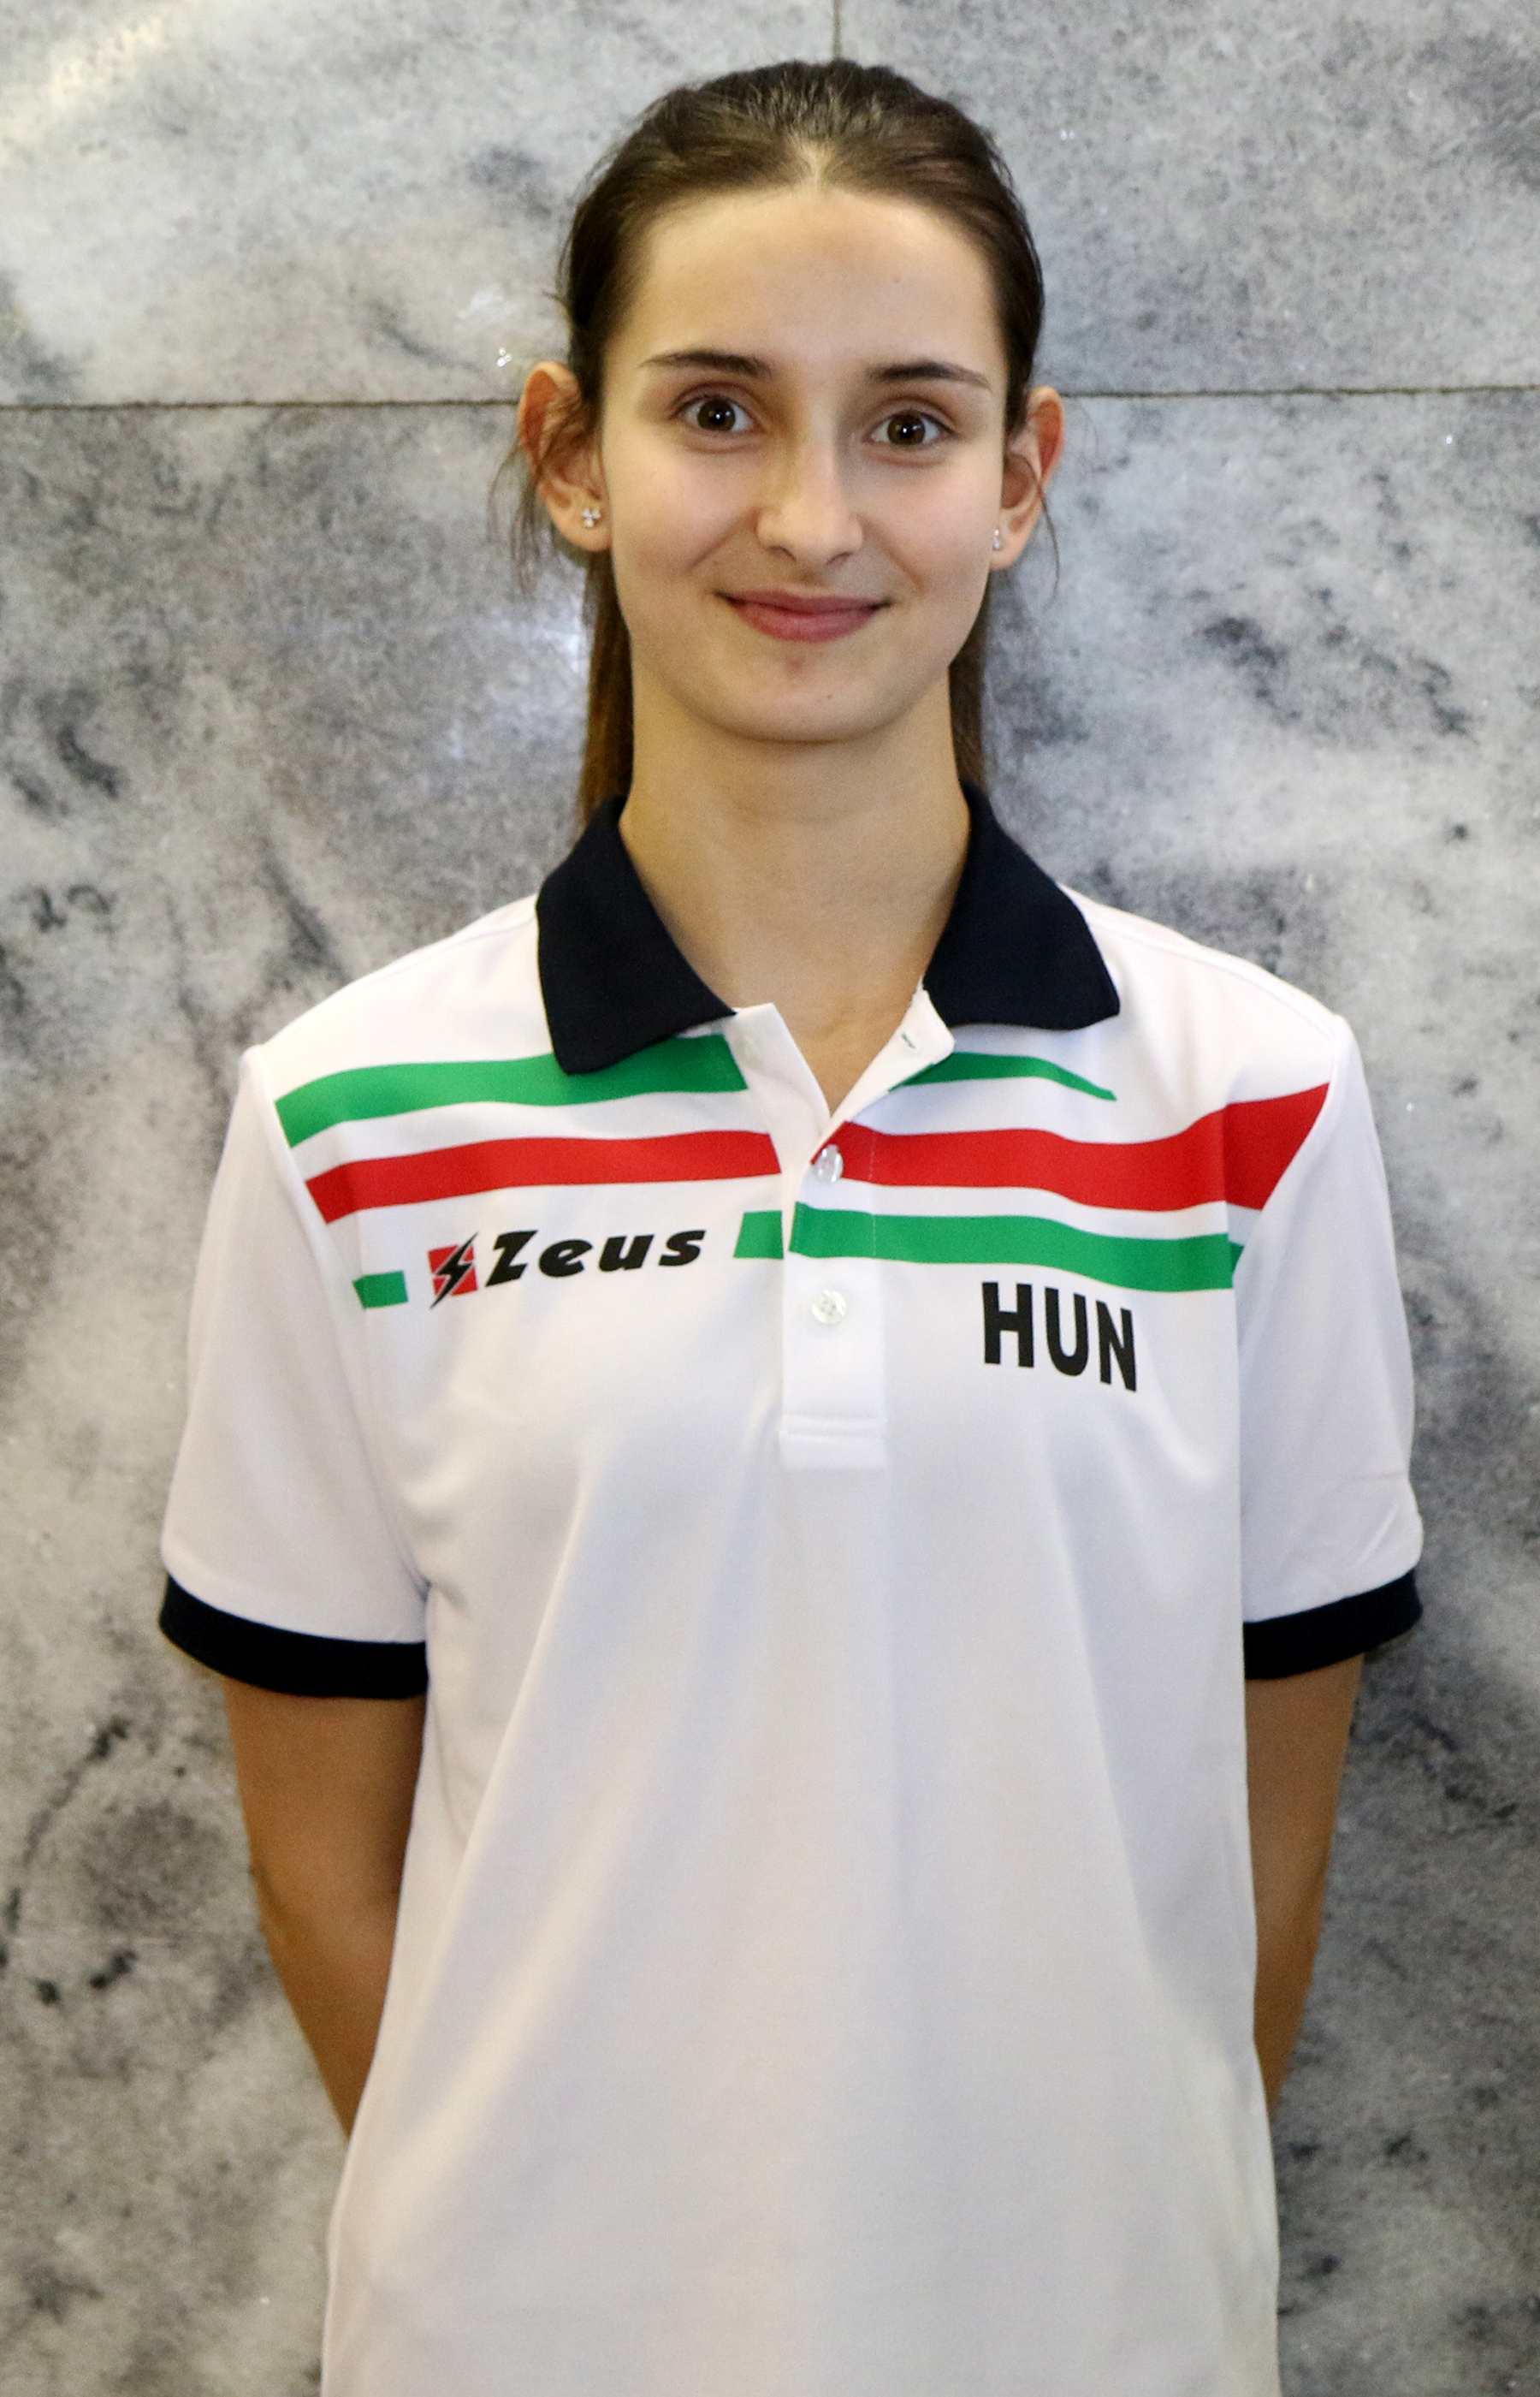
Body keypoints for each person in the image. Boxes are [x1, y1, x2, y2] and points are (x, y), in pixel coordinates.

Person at [158, 58, 1423, 2397]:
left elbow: (1258, 1850)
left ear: (1022, 475)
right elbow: (325, 1870)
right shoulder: (347, 1116)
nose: (813, 517)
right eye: (719, 409)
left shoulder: (1251, 1102)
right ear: (572, 451)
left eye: (910, 424)